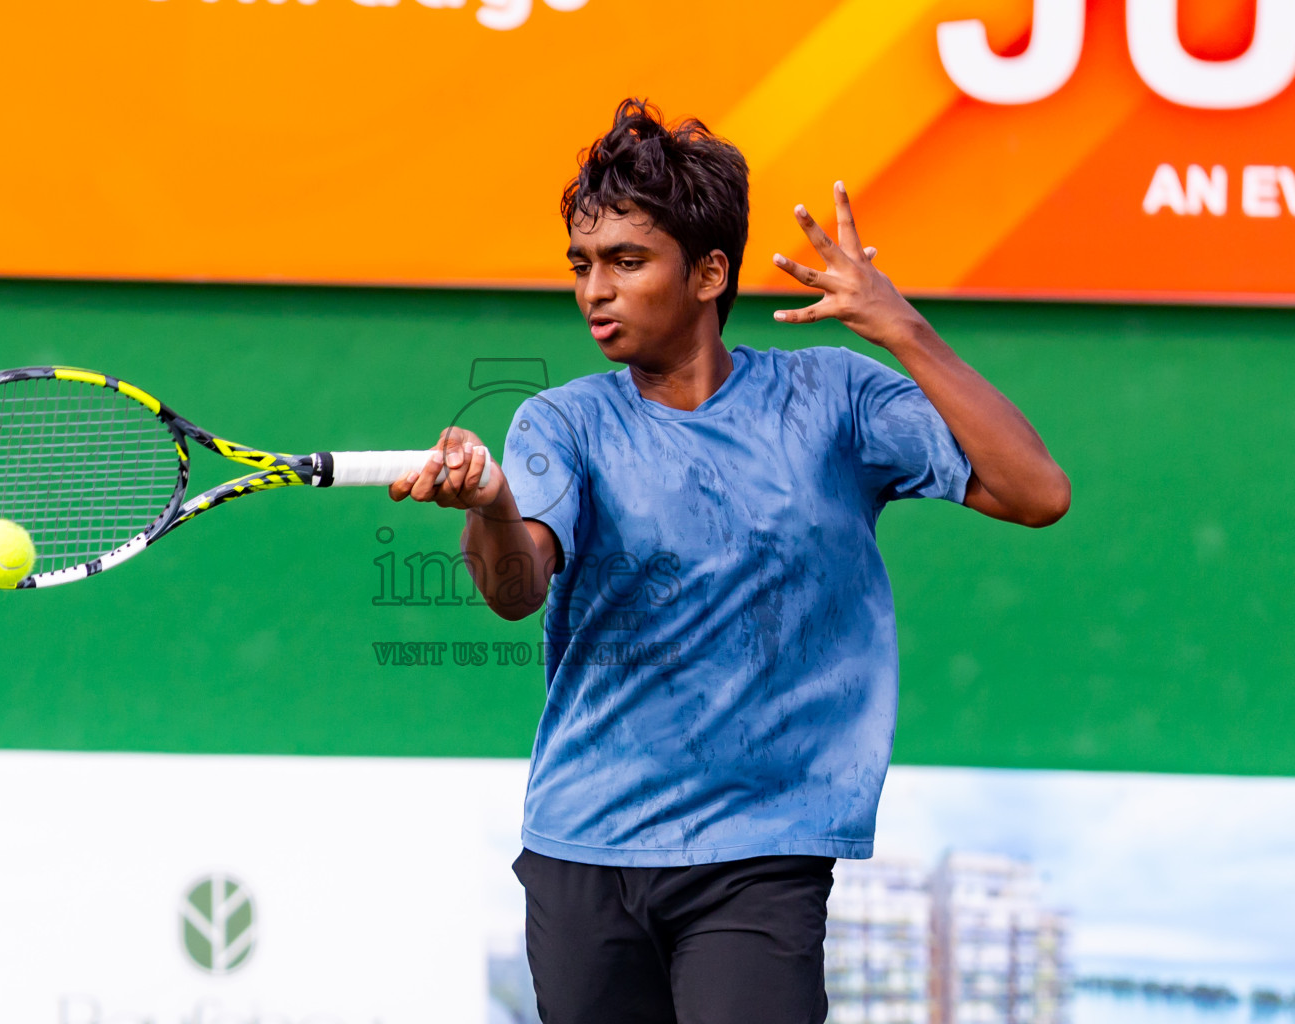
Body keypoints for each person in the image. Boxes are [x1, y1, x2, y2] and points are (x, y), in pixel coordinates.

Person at [389, 98, 1069, 1024]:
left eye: (628, 262)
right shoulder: (563, 421)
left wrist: (905, 329)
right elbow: (517, 592)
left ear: (710, 273)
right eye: (583, 266)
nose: (596, 290)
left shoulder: (833, 396)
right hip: (584, 851)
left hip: (761, 853)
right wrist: (491, 505)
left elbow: (1036, 492)